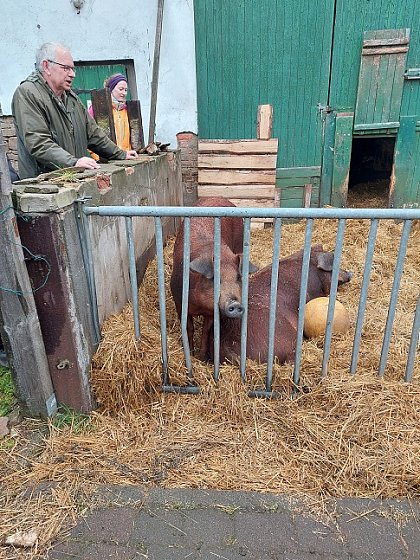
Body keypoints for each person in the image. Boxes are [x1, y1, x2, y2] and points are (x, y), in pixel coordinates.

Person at [12, 42, 138, 179]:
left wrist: (120, 154)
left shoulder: (71, 98)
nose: (72, 74)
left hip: (75, 181)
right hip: (44, 184)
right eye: (66, 68)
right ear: (46, 66)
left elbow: (93, 134)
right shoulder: (28, 94)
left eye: (73, 69)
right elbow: (38, 142)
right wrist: (73, 162)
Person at [88, 73, 132, 153]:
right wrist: (96, 157)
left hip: (126, 158)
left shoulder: (127, 110)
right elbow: (88, 134)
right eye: (121, 89)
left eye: (126, 90)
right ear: (111, 89)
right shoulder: (97, 108)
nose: (124, 93)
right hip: (104, 160)